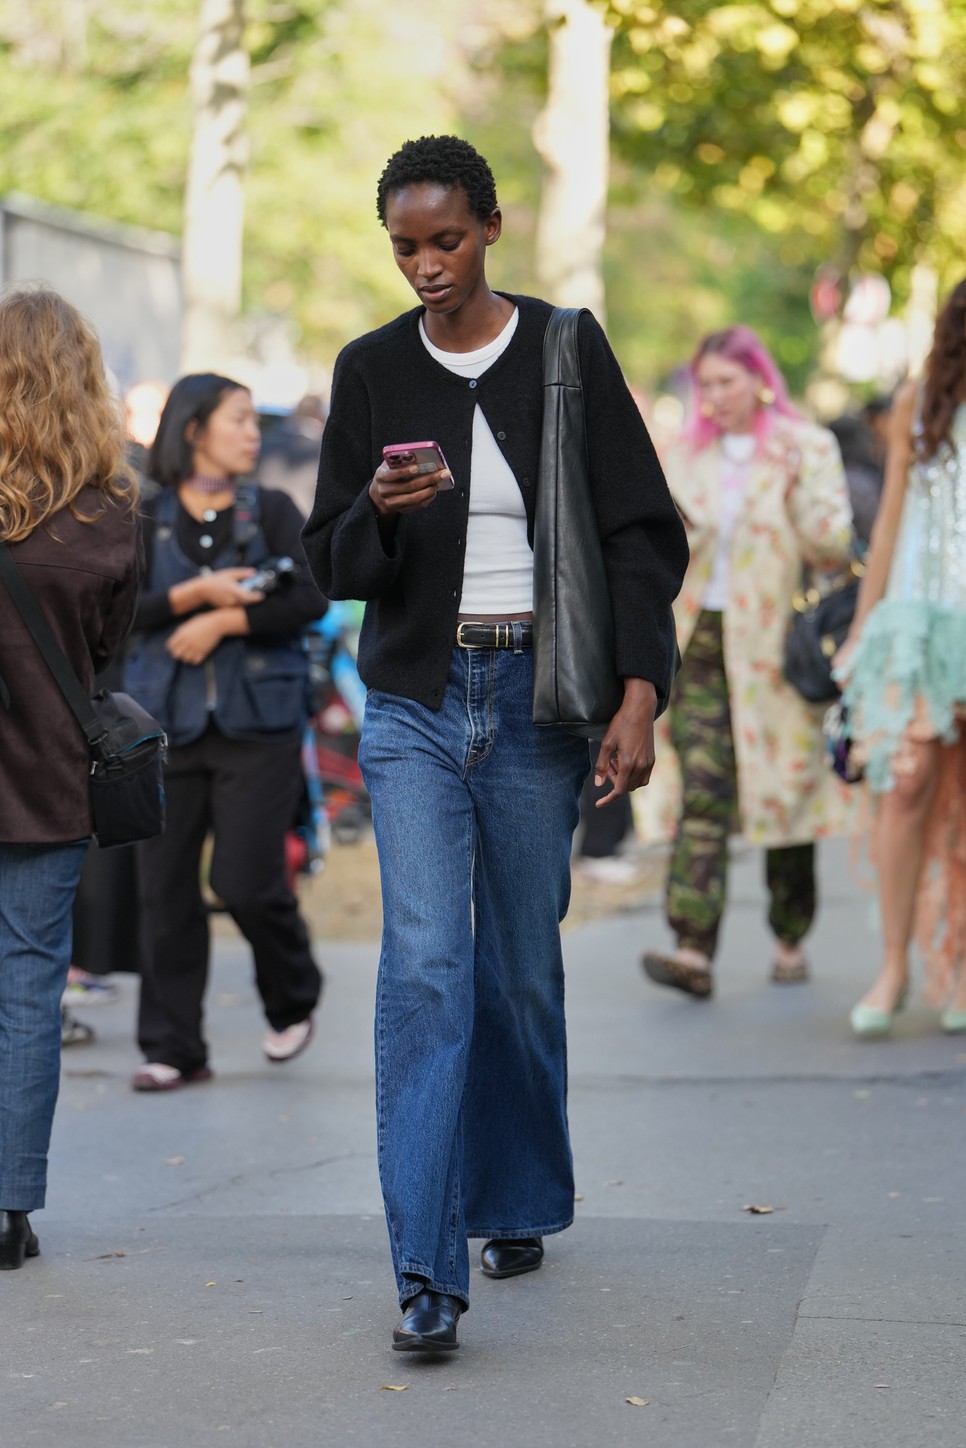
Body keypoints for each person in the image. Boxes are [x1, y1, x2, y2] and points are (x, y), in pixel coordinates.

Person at [302, 134, 688, 1353]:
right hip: (418, 700)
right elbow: (328, 561)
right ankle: (427, 1260)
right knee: (424, 964)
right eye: (406, 245)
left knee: (515, 962)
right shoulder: (370, 370)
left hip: (537, 702)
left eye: (447, 239)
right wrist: (376, 510)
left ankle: (518, 1193)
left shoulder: (567, 347)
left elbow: (640, 534)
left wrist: (640, 688)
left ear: (493, 226)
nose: (426, 264)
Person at [124, 373, 326, 1092]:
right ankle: (175, 1047)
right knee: (166, 891)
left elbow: (308, 596)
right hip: (166, 725)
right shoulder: (142, 516)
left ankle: (294, 991)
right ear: (192, 430)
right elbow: (117, 614)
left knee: (246, 883)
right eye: (238, 420)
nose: (253, 434)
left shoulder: (270, 508)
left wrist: (226, 619)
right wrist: (192, 594)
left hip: (258, 724)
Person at [639, 325, 854, 999]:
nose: (714, 398)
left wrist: (793, 488)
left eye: (727, 382)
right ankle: (692, 947)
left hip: (776, 644)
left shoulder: (807, 446)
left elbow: (833, 545)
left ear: (760, 380)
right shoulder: (686, 456)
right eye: (705, 385)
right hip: (701, 638)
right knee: (705, 792)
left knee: (784, 788)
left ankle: (790, 933)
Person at [0, 286, 142, 1269]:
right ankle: (11, 1205)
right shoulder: (110, 517)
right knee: (27, 989)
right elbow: (107, 661)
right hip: (48, 781)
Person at [835, 280, 966, 1037]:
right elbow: (888, 523)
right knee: (907, 784)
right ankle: (894, 966)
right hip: (920, 621)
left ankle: (959, 968)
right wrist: (862, 627)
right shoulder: (922, 397)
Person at [257, 394, 329, 519]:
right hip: (301, 522)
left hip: (262, 519)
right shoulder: (323, 448)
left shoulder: (267, 440)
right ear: (319, 415)